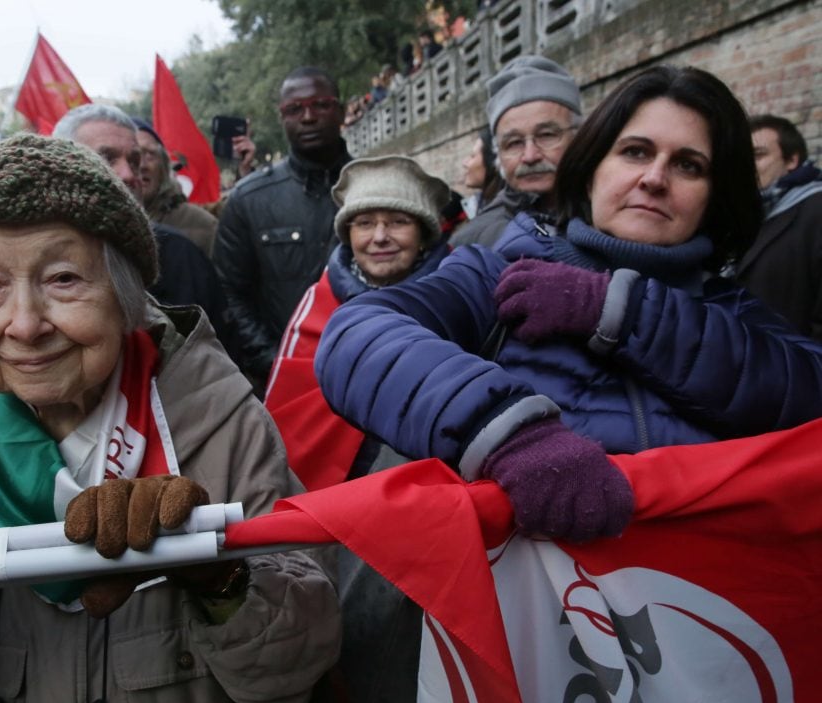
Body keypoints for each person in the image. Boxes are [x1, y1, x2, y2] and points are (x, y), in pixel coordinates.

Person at [0, 134, 341, 703]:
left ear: (125, 297)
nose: (25, 324)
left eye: (63, 278)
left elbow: (299, 670)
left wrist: (219, 580)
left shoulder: (220, 420)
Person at [315, 65, 822, 545]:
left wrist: (621, 312)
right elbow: (356, 336)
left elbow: (806, 392)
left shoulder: (735, 312)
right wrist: (508, 434)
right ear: (591, 168)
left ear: (715, 194)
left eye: (689, 165)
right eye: (636, 152)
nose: (654, 178)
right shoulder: (497, 273)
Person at [266, 156, 450, 703]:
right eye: (363, 222)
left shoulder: (459, 299)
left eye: (396, 221)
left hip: (427, 515)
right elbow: (287, 413)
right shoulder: (317, 301)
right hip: (333, 511)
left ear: (423, 231)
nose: (378, 237)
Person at [214, 66, 352, 394]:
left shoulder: (377, 187)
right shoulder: (248, 199)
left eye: (320, 104)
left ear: (341, 111)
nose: (307, 117)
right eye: (294, 109)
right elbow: (229, 292)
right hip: (284, 386)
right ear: (282, 118)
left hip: (371, 380)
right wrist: (275, 362)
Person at [53, 104, 231, 350]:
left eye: (134, 160)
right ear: (61, 167)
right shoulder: (27, 256)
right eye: (106, 158)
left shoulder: (181, 255)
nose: (128, 174)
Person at [458, 54, 582, 248]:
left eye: (547, 135)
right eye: (514, 143)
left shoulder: (619, 214)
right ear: (497, 153)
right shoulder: (475, 243)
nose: (530, 156)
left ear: (579, 137)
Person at [733, 114, 822, 339]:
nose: (747, 166)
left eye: (758, 155)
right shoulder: (748, 215)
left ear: (792, 160)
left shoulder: (815, 210)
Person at [132, 118, 219, 258]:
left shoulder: (203, 225)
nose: (142, 165)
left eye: (149, 155)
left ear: (164, 166)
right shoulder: (98, 227)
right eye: (133, 156)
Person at [452, 125, 504, 242]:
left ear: (493, 162)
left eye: (472, 156)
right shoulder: (479, 206)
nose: (465, 163)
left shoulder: (504, 219)